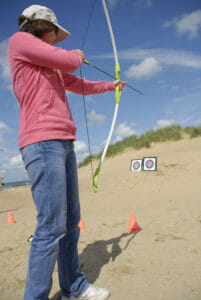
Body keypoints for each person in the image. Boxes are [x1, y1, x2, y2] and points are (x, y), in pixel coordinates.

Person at [8, 4, 125, 300]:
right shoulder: (20, 41)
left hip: (64, 141)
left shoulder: (55, 63)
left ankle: (73, 287)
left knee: (71, 220)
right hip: (41, 142)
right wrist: (75, 56)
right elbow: (70, 62)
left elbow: (80, 83)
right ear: (41, 26)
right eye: (54, 33)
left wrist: (110, 86)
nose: (55, 39)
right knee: (50, 225)